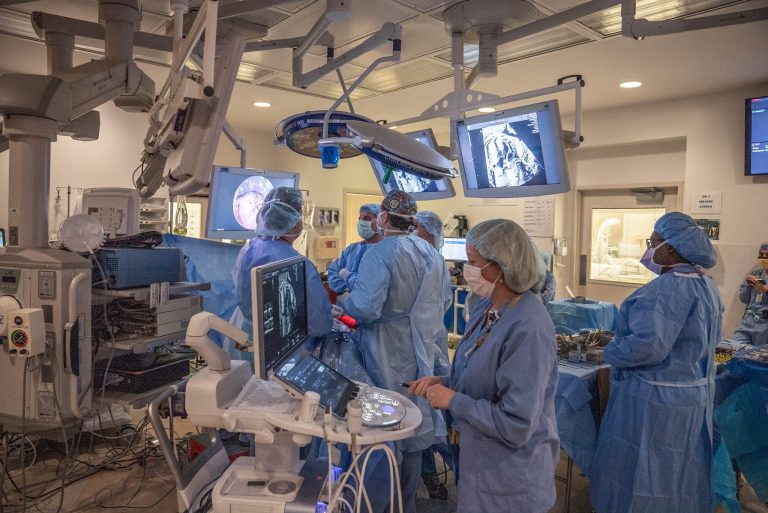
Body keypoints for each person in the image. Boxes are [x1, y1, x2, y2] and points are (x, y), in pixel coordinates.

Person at [409, 219, 559, 513]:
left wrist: (454, 401)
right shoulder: (488, 308)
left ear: (500, 268)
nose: (468, 270)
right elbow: (478, 366)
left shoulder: (528, 327)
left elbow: (516, 424)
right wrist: (445, 382)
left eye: (473, 262)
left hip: (510, 479)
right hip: (479, 462)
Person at [590, 212, 724, 513]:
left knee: (642, 474)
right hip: (693, 398)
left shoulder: (666, 289)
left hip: (655, 402)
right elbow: (713, 344)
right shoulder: (707, 287)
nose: (649, 249)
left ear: (673, 249)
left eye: (653, 243)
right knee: (679, 474)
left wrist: (611, 351)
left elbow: (648, 347)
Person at [337, 191, 452, 513]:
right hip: (422, 346)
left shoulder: (381, 253)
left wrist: (343, 305)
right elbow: (441, 302)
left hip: (386, 346)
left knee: (386, 423)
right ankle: (406, 501)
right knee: (415, 423)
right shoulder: (430, 252)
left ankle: (381, 502)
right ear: (413, 220)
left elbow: (365, 307)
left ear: (383, 218)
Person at [229, 187, 332, 363]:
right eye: (299, 215)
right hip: (281, 353)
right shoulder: (297, 264)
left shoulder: (248, 248)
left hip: (243, 339)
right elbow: (319, 325)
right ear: (293, 221)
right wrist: (327, 313)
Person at [327, 204, 383, 294]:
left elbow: (373, 286)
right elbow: (333, 273)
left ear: (379, 221)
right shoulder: (352, 249)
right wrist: (348, 288)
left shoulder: (386, 251)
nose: (361, 223)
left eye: (367, 218)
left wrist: (348, 281)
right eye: (360, 219)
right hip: (345, 306)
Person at [729, 242, 768, 346]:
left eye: (767, 255)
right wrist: (748, 284)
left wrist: (765, 290)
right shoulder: (756, 273)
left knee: (760, 358)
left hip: (765, 327)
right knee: (733, 349)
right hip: (749, 323)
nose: (763, 258)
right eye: (761, 254)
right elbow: (743, 298)